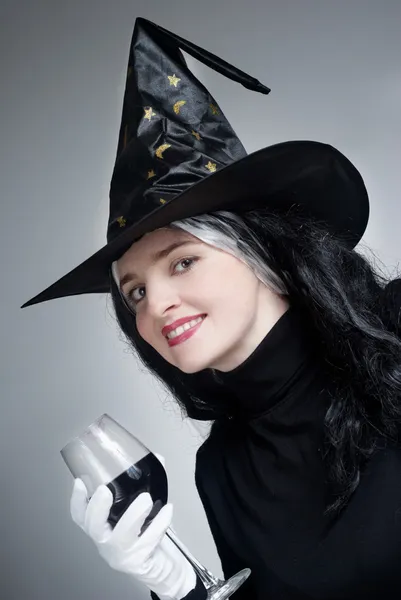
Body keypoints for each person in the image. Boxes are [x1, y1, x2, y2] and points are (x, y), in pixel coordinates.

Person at [21, 17, 401, 600]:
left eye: (181, 262)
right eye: (135, 292)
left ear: (264, 255)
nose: (156, 305)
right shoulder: (223, 468)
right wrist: (178, 588)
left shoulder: (394, 327)